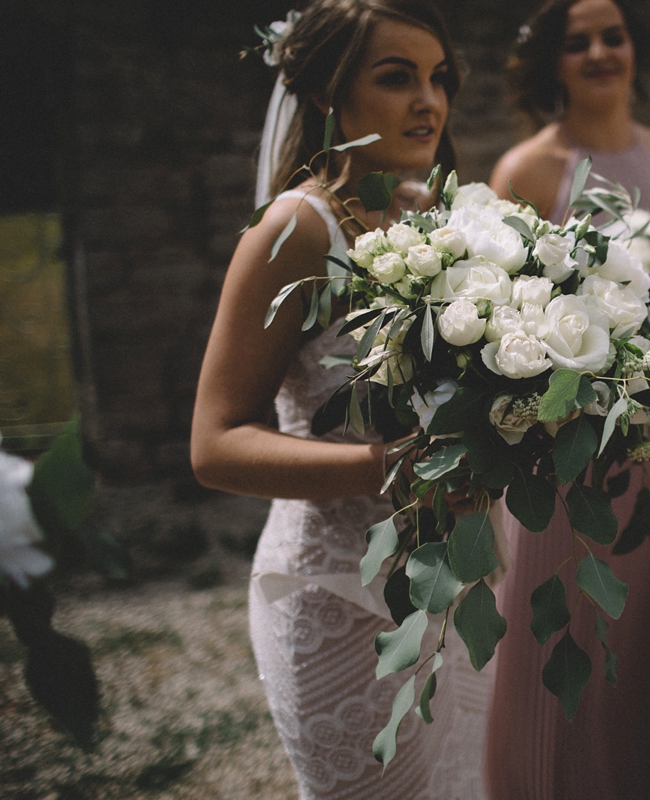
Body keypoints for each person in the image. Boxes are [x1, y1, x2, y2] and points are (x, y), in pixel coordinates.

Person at [189, 2, 494, 797]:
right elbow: (215, 442)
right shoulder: (297, 227)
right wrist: (389, 467)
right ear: (326, 93)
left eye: (439, 78)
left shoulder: (430, 219)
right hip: (333, 596)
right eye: (397, 78)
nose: (429, 101)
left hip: (448, 588)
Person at [483, 1, 650, 798]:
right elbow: (508, 319)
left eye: (614, 35)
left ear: (634, 49)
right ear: (551, 64)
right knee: (572, 602)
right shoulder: (527, 171)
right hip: (575, 433)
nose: (600, 51)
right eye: (578, 42)